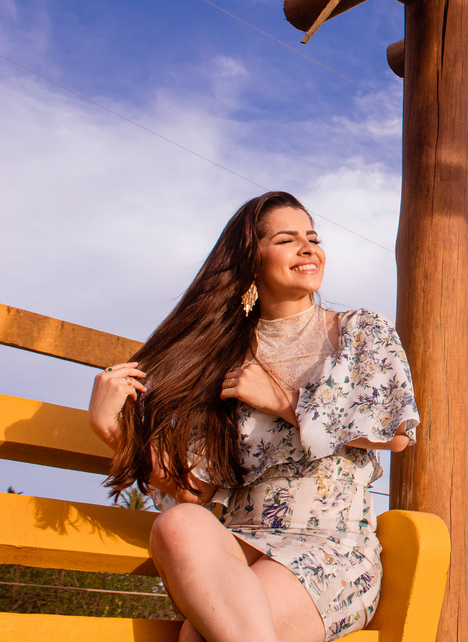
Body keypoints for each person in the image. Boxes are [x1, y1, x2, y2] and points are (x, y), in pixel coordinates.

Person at [87, 191, 419, 642]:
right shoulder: (221, 360)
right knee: (177, 525)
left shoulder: (358, 330)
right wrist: (111, 428)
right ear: (252, 261)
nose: (308, 249)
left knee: (200, 637)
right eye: (287, 240)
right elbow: (194, 490)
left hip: (330, 546)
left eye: (313, 238)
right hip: (237, 542)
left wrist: (282, 399)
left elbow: (394, 431)